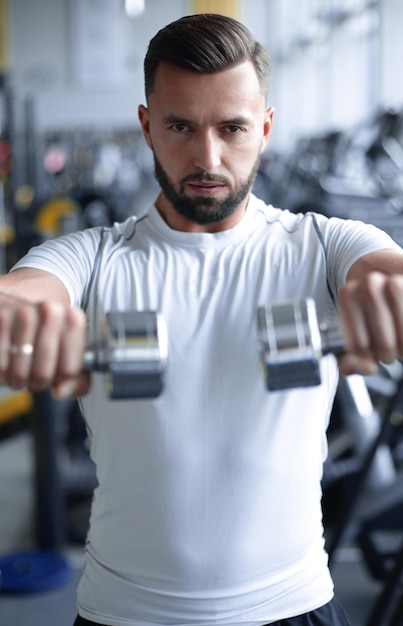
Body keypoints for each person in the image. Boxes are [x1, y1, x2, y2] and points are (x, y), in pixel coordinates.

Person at [1, 12, 403, 626]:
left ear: (265, 128)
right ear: (147, 126)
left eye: (233, 128)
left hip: (294, 606)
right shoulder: (92, 255)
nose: (207, 156)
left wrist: (390, 292)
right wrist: (20, 318)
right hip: (124, 613)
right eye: (180, 126)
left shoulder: (323, 246)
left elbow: (383, 268)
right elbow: (26, 292)